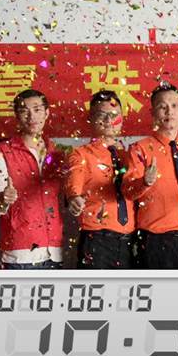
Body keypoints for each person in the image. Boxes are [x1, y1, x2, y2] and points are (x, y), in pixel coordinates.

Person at [125, 84, 178, 270]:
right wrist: (145, 182)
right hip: (154, 241)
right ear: (153, 113)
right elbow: (128, 191)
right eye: (162, 107)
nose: (169, 111)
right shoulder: (140, 149)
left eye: (174, 106)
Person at [0, 89, 65, 270]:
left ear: (47, 113)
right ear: (17, 115)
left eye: (37, 110)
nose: (32, 116)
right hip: (20, 252)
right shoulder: (2, 151)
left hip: (55, 249)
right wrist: (3, 196)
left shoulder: (57, 152)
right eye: (24, 111)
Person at [65, 90, 136, 269]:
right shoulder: (80, 154)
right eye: (101, 115)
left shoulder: (131, 155)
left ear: (122, 119)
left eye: (114, 115)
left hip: (131, 240)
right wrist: (74, 198)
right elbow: (74, 184)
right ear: (90, 118)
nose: (108, 120)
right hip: (97, 240)